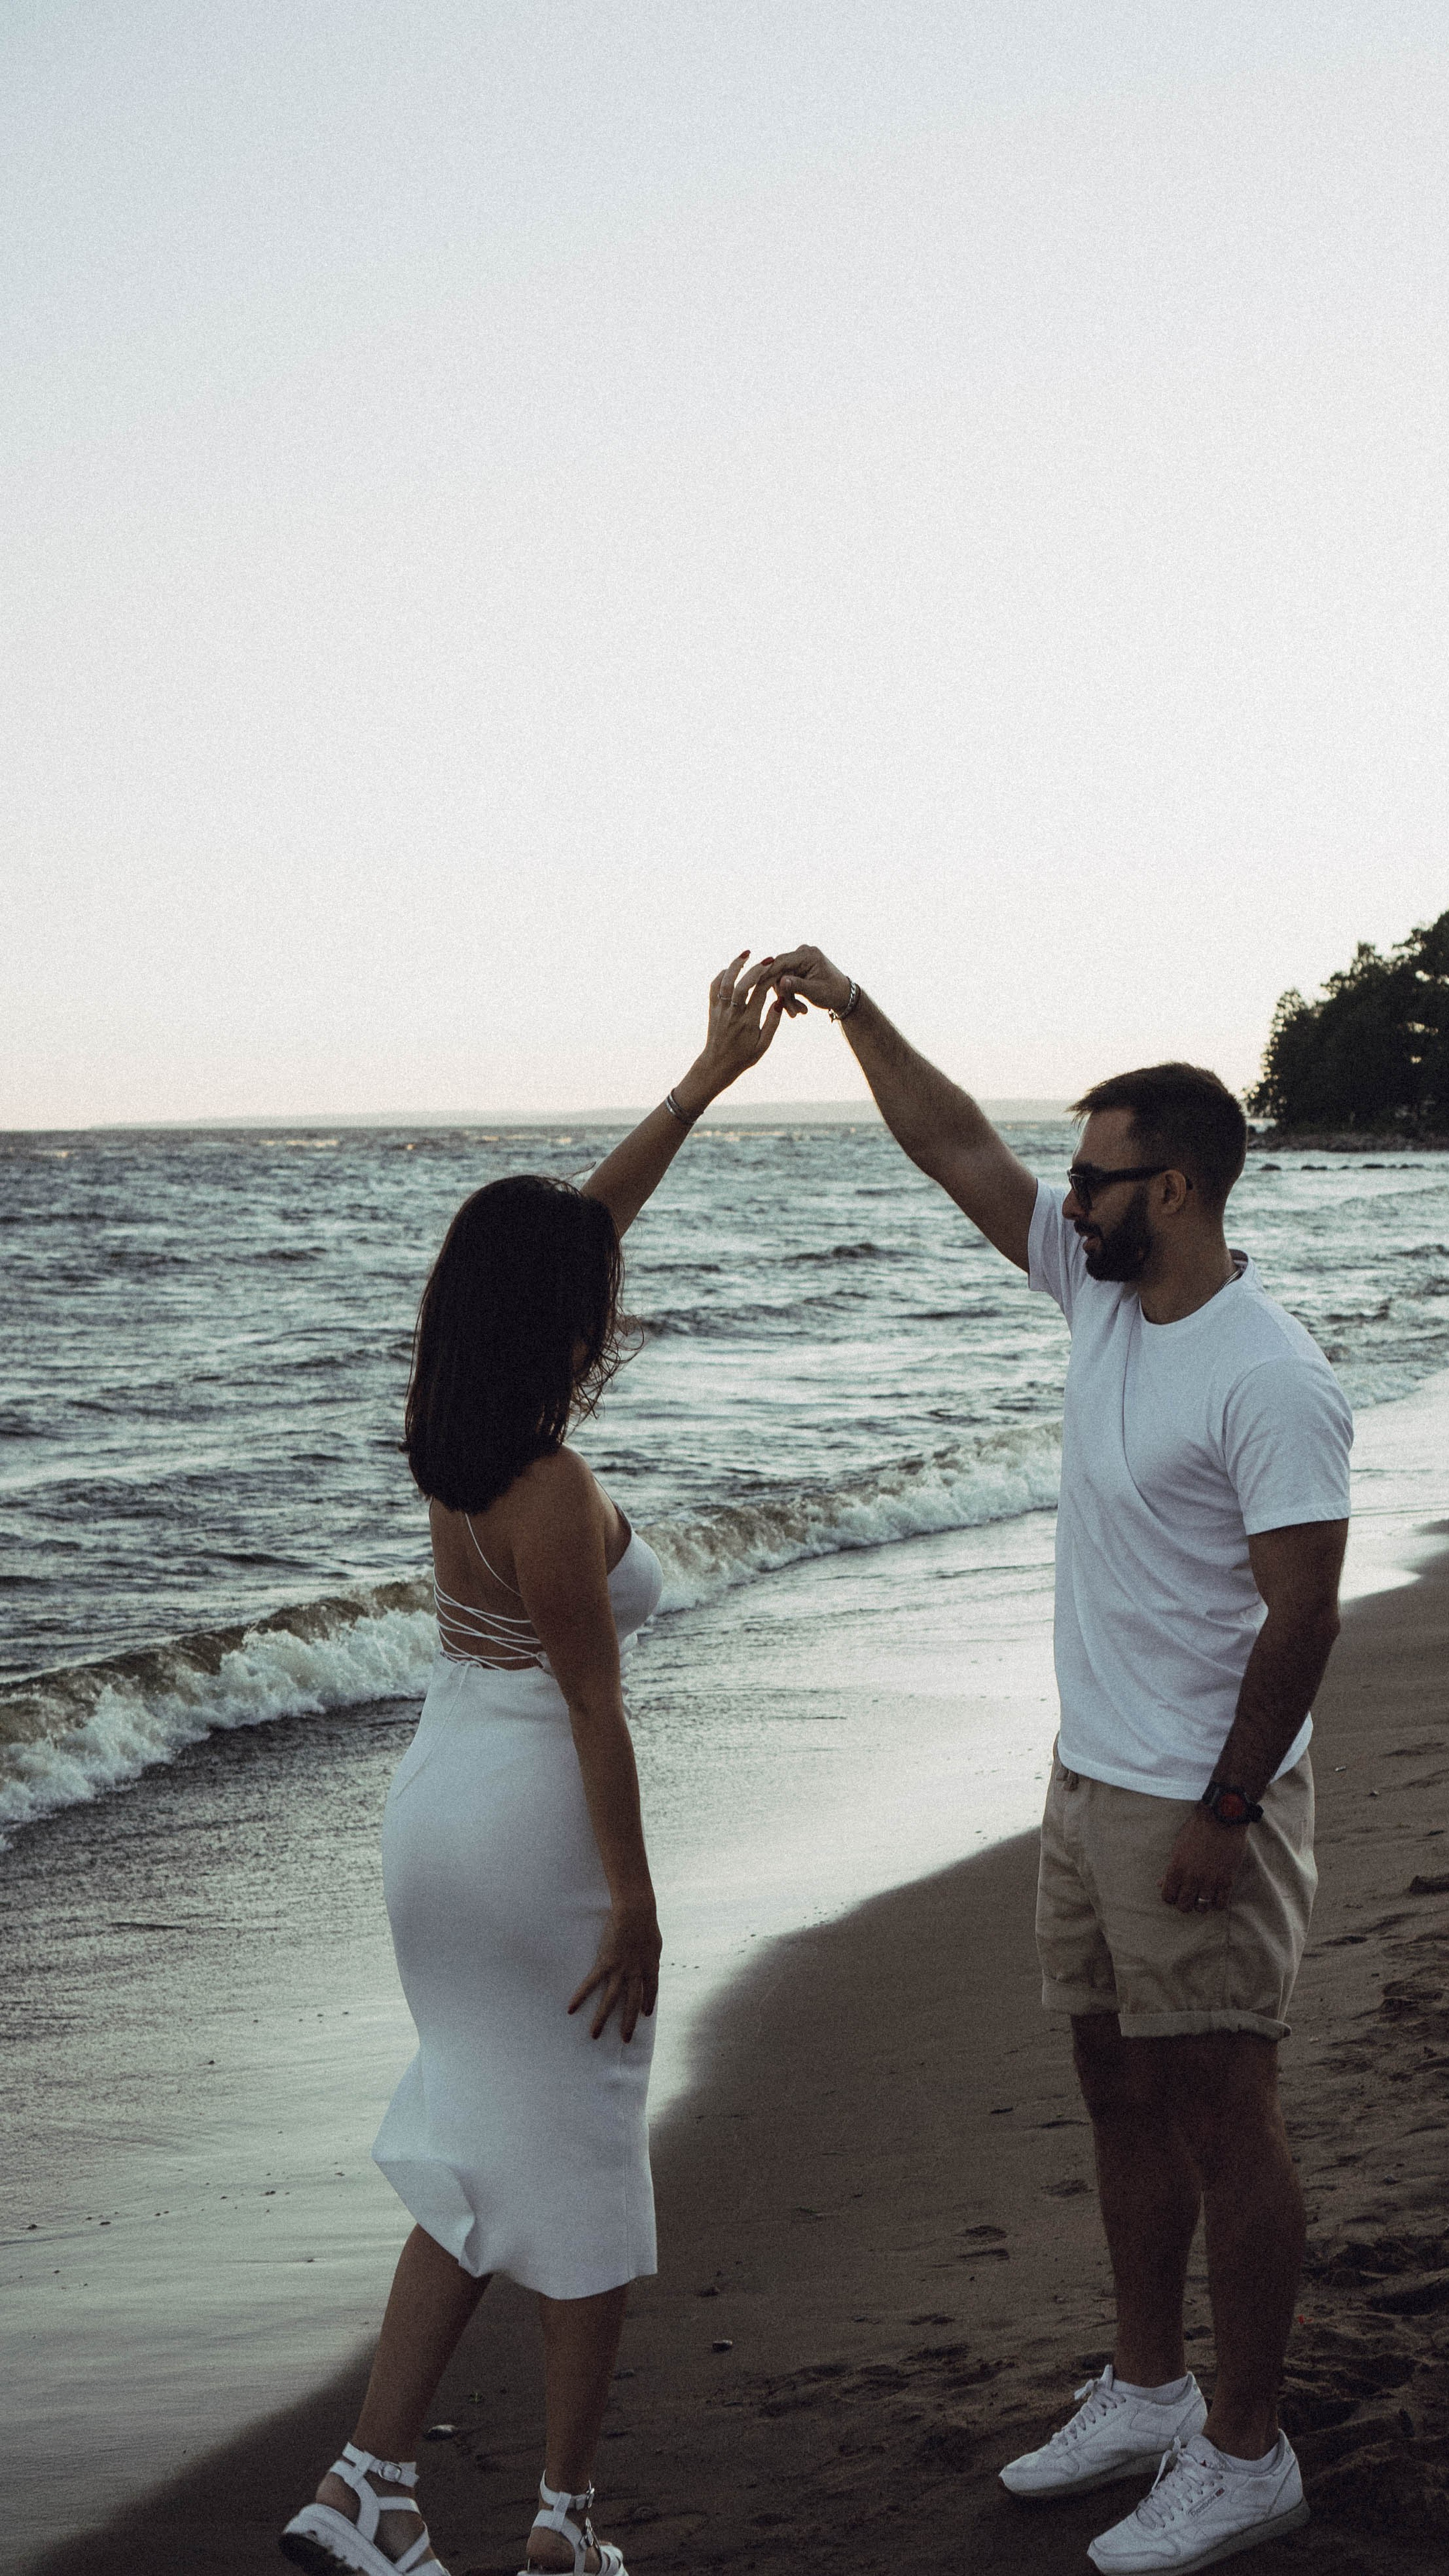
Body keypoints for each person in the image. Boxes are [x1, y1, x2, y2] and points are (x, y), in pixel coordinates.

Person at [767, 949, 1351, 2575]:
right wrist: (857, 1009)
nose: (1063, 1196)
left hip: (1200, 1793)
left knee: (1225, 2108)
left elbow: (1302, 1617)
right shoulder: (1099, 1294)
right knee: (1112, 2085)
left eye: (1092, 1175)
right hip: (1088, 1776)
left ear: (1167, 1187)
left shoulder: (1268, 1373)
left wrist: (1228, 1812)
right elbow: (951, 1146)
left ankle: (1247, 2453)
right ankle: (1153, 2390)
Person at [281, 955, 784, 2576]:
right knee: (576, 2172)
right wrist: (634, 1904)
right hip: (530, 1835)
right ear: (561, 1316)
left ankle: (369, 2484)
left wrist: (700, 1085)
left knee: (474, 2148)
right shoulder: (552, 1489)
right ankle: (563, 2526)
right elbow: (595, 1710)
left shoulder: (456, 1410)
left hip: (438, 1811)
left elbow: (575, 1227)